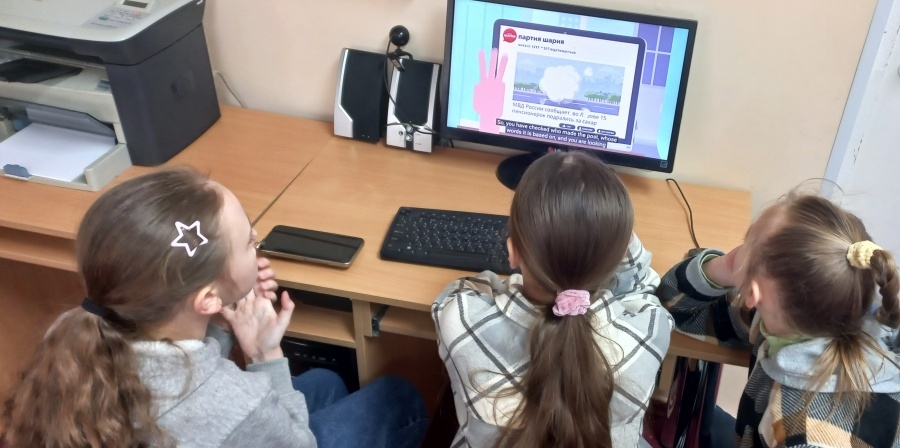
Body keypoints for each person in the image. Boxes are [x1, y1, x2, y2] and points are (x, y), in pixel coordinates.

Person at [1, 168, 429, 448]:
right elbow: (297, 441)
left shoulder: (81, 326)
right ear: (204, 297)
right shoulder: (235, 404)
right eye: (248, 241)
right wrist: (264, 355)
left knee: (324, 381)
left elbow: (174, 367)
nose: (256, 238)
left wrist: (220, 323)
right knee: (399, 397)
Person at [432, 151, 672, 448]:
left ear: (512, 252)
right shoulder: (651, 332)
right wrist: (610, 233)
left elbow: (463, 289)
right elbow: (641, 285)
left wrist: (515, 284)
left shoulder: (460, 318)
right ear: (617, 257)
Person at [658, 191, 900, 447]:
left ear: (752, 294)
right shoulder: (807, 315)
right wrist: (725, 267)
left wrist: (731, 265)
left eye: (744, 244)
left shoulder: (805, 437)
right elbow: (675, 306)